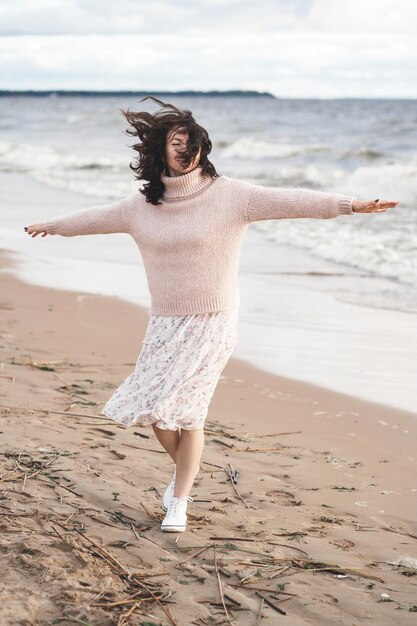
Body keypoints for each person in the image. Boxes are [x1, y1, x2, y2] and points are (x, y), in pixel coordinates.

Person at [25, 96, 399, 533]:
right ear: (159, 150)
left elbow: (289, 200)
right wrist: (52, 224)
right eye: (177, 142)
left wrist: (350, 204)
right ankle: (186, 473)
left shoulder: (231, 196)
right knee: (153, 411)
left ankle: (179, 500)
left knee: (189, 414)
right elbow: (94, 218)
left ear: (203, 147)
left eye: (192, 143)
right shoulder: (141, 207)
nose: (186, 151)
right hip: (165, 321)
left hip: (215, 320)